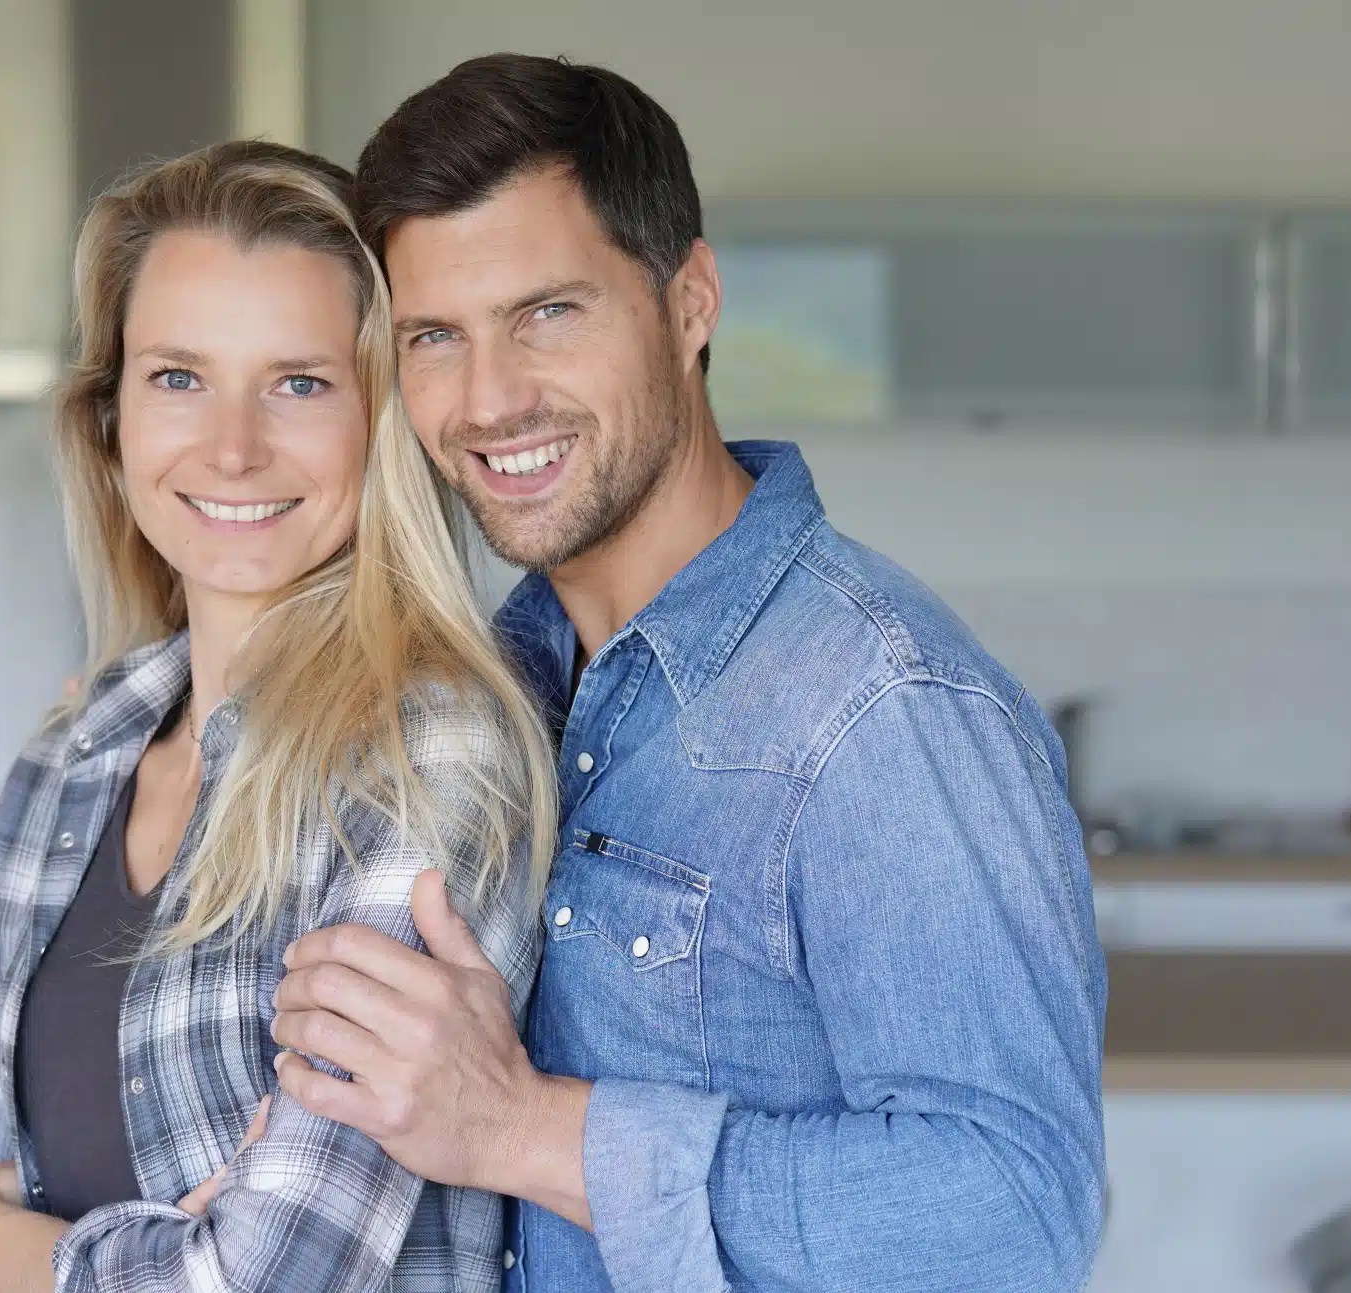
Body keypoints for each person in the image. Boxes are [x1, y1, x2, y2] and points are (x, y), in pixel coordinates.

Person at [269, 54, 1109, 1293]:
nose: (490, 400)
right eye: (436, 338)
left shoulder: (883, 711)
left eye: (549, 313)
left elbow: (1014, 1216)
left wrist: (522, 1128)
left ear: (691, 301)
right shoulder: (491, 688)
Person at [0, 140, 555, 1293]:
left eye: (299, 383)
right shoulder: (68, 763)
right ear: (111, 418)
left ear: (379, 421)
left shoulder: (427, 756)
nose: (232, 449)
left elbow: (275, 1278)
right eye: (178, 377)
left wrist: (7, 1257)